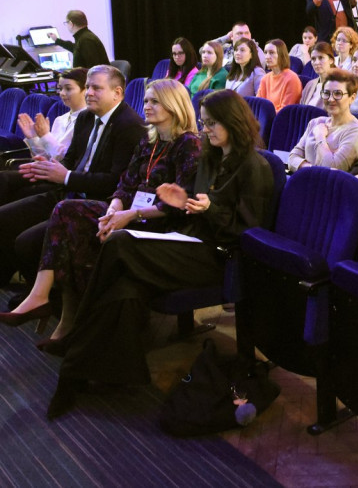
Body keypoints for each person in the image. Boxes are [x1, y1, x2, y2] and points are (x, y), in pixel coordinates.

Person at [44, 89, 275, 419]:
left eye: (212, 123)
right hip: (189, 242)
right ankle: (91, 374)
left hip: (219, 257)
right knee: (125, 287)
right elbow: (194, 207)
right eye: (204, 122)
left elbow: (247, 232)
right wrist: (183, 201)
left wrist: (208, 210)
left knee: (119, 243)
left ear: (232, 123)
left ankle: (74, 341)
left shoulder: (255, 166)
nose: (205, 129)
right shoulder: (211, 158)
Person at [0, 79, 201, 342]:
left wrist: (129, 215)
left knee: (71, 224)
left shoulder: (188, 143)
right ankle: (52, 307)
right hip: (128, 214)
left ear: (174, 105)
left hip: (157, 225)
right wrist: (113, 210)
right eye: (146, 100)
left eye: (154, 101)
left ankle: (62, 319)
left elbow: (180, 204)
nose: (146, 106)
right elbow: (125, 185)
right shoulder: (149, 140)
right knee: (67, 217)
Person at [0, 66, 147, 288]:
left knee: (24, 241)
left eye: (97, 88)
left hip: (92, 201)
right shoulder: (87, 117)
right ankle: (9, 269)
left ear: (117, 92)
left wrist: (65, 176)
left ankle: (41, 293)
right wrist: (50, 166)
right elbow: (72, 160)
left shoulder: (129, 126)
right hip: (69, 190)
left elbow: (114, 182)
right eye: (89, 87)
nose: (89, 93)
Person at [288, 68, 358, 171]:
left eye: (338, 94)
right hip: (305, 180)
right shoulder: (316, 122)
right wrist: (310, 168)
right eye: (326, 93)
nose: (330, 99)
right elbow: (292, 158)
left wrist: (320, 136)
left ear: (352, 98)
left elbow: (333, 169)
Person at [18, 67, 88, 160]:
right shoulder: (60, 120)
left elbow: (66, 160)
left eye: (68, 88)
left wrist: (45, 136)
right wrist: (33, 138)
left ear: (86, 90)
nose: (62, 93)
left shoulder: (89, 121)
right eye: (60, 88)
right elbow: (46, 157)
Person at [257, 38, 302, 112]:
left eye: (271, 53)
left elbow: (285, 111)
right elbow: (258, 104)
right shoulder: (265, 78)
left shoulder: (292, 78)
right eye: (265, 52)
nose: (267, 56)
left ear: (281, 55)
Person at [299, 41, 336, 108]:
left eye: (321, 58)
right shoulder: (309, 85)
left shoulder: (338, 85)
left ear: (331, 60)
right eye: (313, 59)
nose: (316, 62)